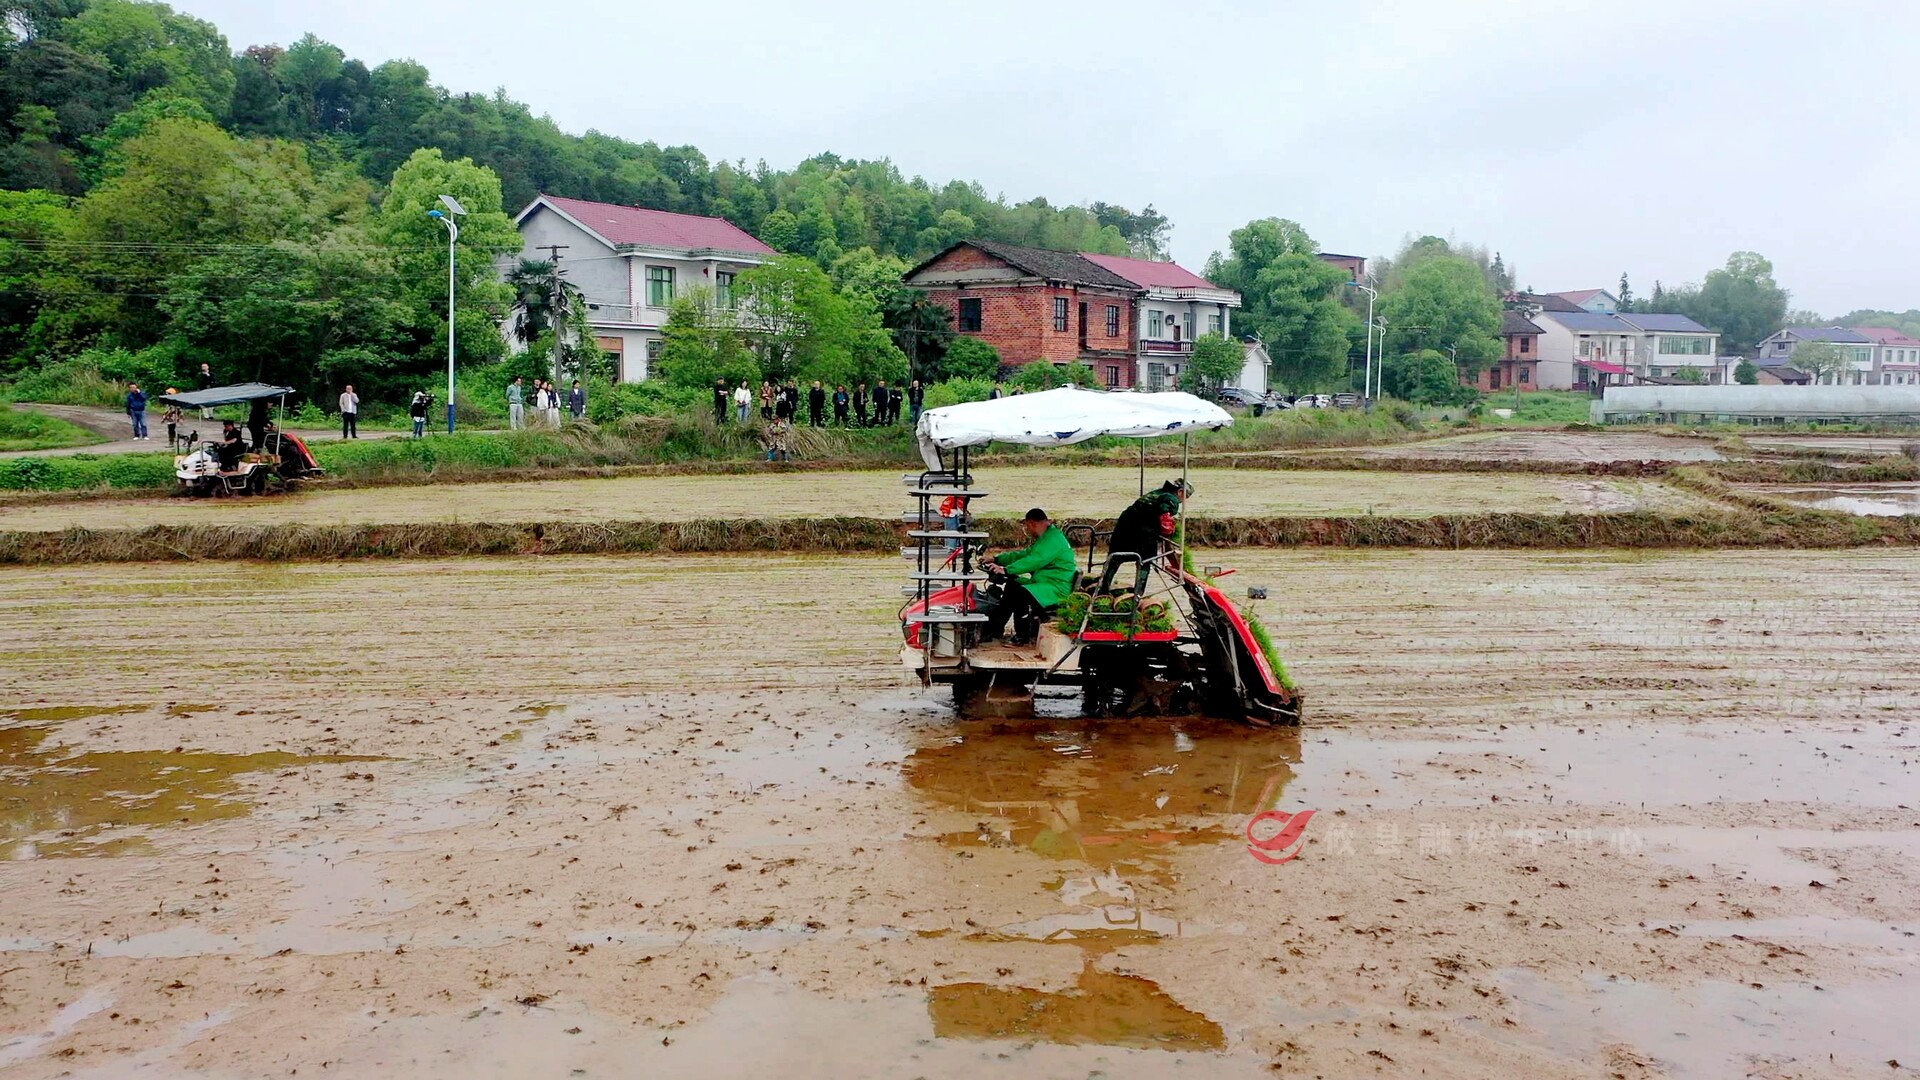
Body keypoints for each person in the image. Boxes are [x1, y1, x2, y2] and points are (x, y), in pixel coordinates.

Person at [981, 508, 1078, 646]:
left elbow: (1035, 560)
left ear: (1032, 523)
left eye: (1027, 526)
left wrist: (1006, 570)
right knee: (1013, 585)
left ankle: (1022, 636)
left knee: (1020, 593)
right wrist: (997, 559)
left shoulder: (1052, 539)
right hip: (1045, 582)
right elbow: (1025, 555)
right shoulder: (1046, 538)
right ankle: (994, 631)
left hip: (1056, 588)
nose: (1028, 530)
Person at [1108, 479, 1191, 587]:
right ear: (1180, 492)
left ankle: (1103, 588)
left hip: (1122, 528)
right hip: (1140, 533)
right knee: (1145, 561)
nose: (1183, 501)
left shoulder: (1155, 493)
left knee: (1114, 559)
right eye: (1185, 497)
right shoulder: (1170, 498)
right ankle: (1138, 594)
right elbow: (1165, 521)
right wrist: (1170, 532)